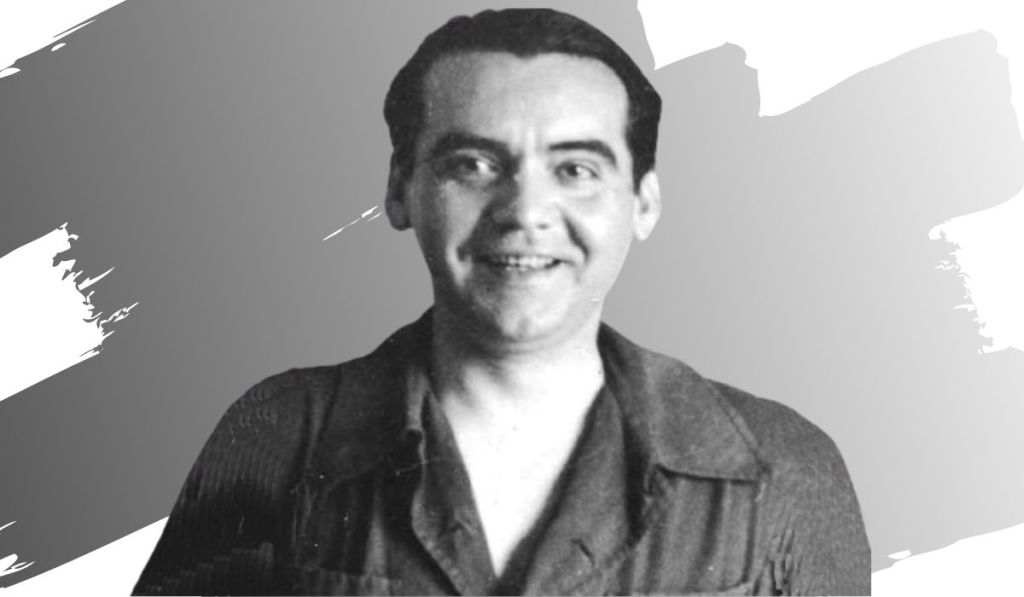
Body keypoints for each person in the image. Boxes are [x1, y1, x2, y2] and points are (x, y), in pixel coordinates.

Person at [133, 8, 869, 595]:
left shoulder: (785, 467)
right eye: (475, 164)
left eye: (575, 169)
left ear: (643, 203)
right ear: (401, 189)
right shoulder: (277, 435)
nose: (525, 211)